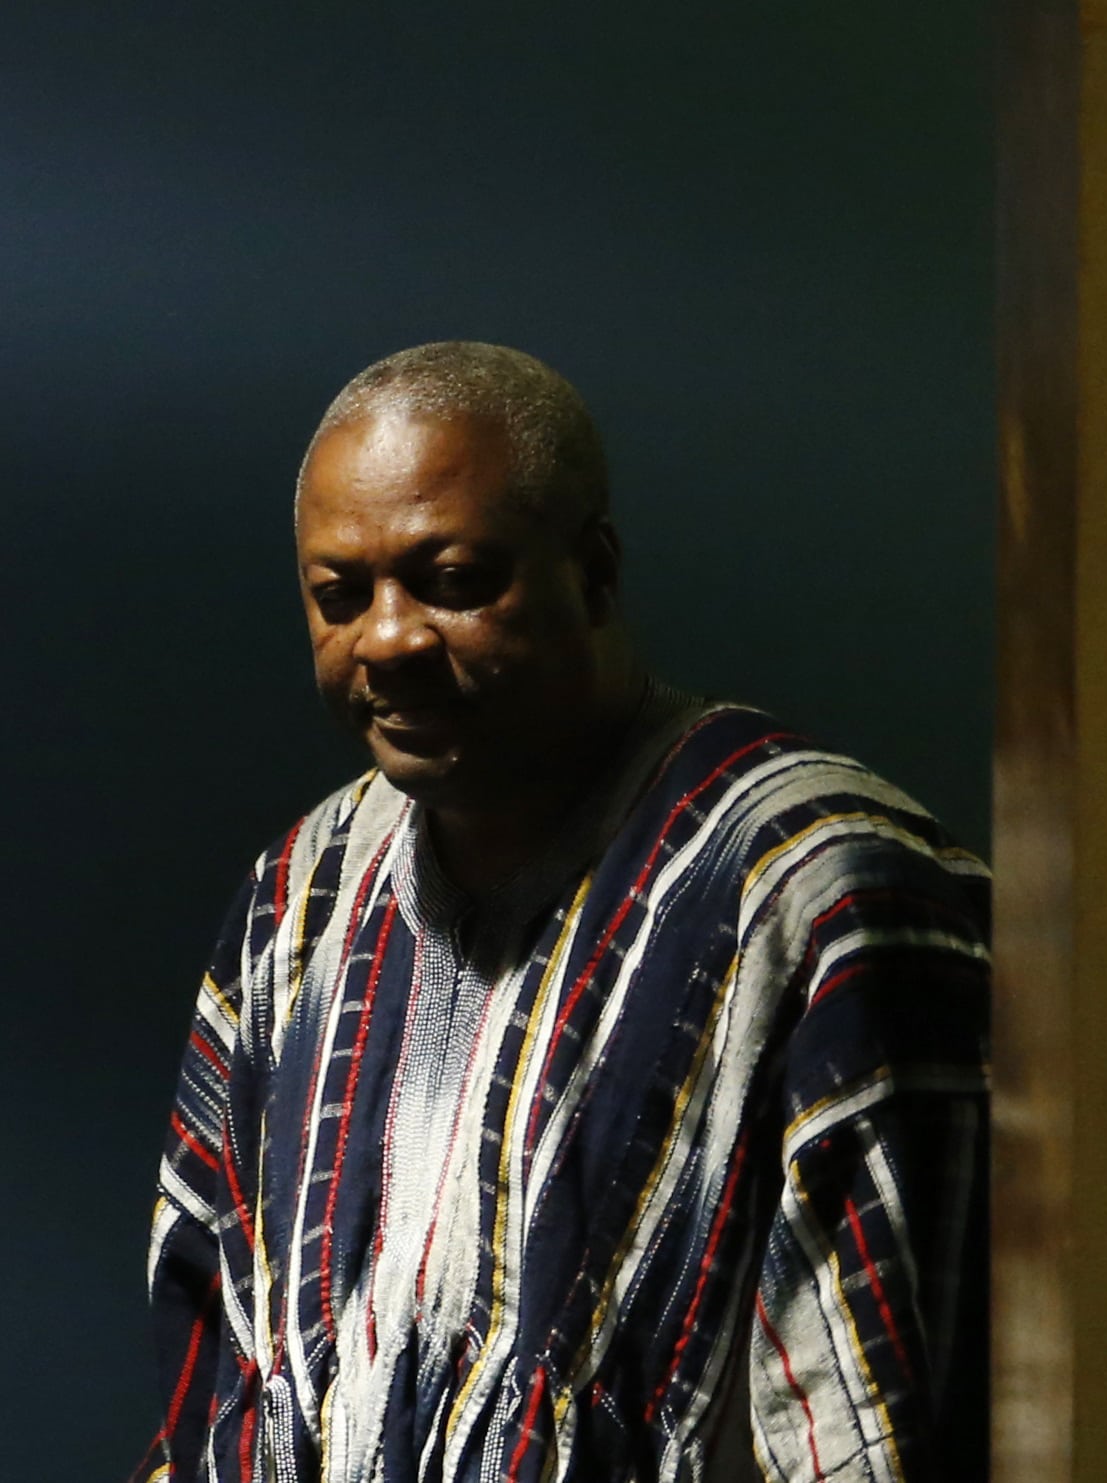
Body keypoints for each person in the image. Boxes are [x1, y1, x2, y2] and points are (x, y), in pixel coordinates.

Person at [134, 343, 991, 1483]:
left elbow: (880, 1423)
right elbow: (214, 1363)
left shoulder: (813, 889)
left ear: (592, 574)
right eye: (340, 594)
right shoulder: (301, 896)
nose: (387, 638)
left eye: (451, 578)